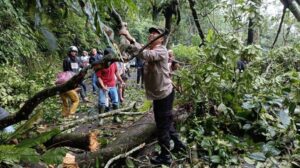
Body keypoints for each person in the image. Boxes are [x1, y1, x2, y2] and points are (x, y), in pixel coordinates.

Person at [120, 26, 186, 165]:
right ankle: (179, 144)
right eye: (150, 33)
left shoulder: (161, 50)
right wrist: (128, 40)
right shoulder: (150, 49)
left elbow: (146, 55)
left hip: (164, 95)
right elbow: (142, 53)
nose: (151, 35)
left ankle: (165, 156)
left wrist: (129, 37)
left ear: (161, 38)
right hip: (159, 95)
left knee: (162, 125)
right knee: (166, 122)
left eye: (154, 33)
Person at [95, 47, 125, 123]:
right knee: (102, 102)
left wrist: (121, 81)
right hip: (104, 86)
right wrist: (103, 86)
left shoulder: (113, 63)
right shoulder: (100, 64)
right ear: (105, 56)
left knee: (115, 101)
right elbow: (99, 77)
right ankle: (101, 118)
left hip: (112, 85)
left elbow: (116, 73)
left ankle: (116, 117)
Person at [59, 46, 80, 118]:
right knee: (75, 100)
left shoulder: (77, 59)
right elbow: (66, 71)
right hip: (69, 80)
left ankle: (65, 114)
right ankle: (70, 114)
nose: (74, 53)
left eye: (75, 52)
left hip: (72, 80)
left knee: (67, 100)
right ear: (69, 52)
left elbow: (77, 69)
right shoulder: (67, 60)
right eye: (72, 51)